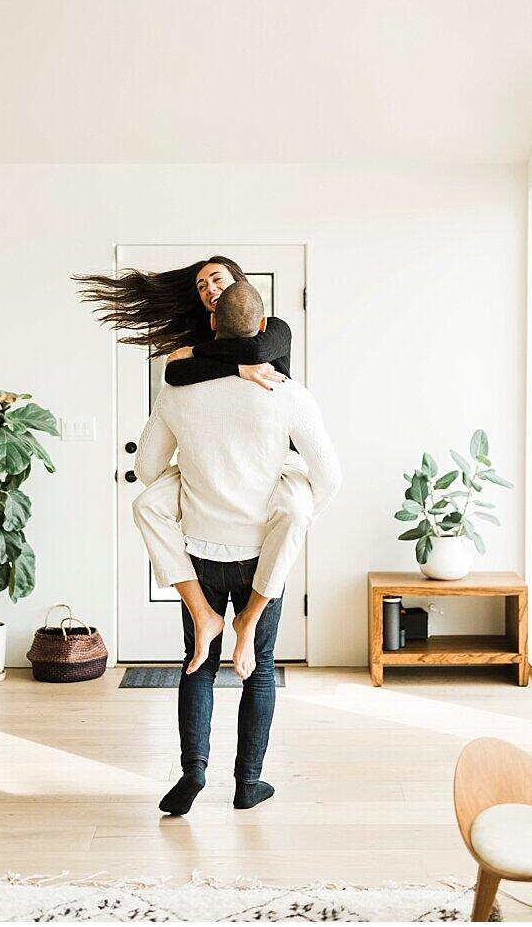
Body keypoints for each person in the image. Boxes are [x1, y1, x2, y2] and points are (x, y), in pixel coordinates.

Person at [132, 282, 341, 815]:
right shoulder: (289, 393)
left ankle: (192, 773)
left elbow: (147, 470)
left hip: (199, 554)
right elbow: (331, 477)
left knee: (197, 664)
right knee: (261, 668)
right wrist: (294, 503)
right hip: (260, 556)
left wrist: (190, 472)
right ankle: (248, 783)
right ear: (264, 328)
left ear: (211, 329)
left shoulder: (177, 391)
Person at [74, 255, 311, 678]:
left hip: (272, 464)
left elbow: (255, 349)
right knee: (146, 505)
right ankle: (204, 615)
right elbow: (177, 377)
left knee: (296, 511)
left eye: (216, 279)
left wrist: (201, 354)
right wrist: (232, 365)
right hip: (205, 468)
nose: (209, 289)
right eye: (201, 286)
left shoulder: (272, 327)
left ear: (239, 283)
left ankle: (245, 623)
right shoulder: (199, 337)